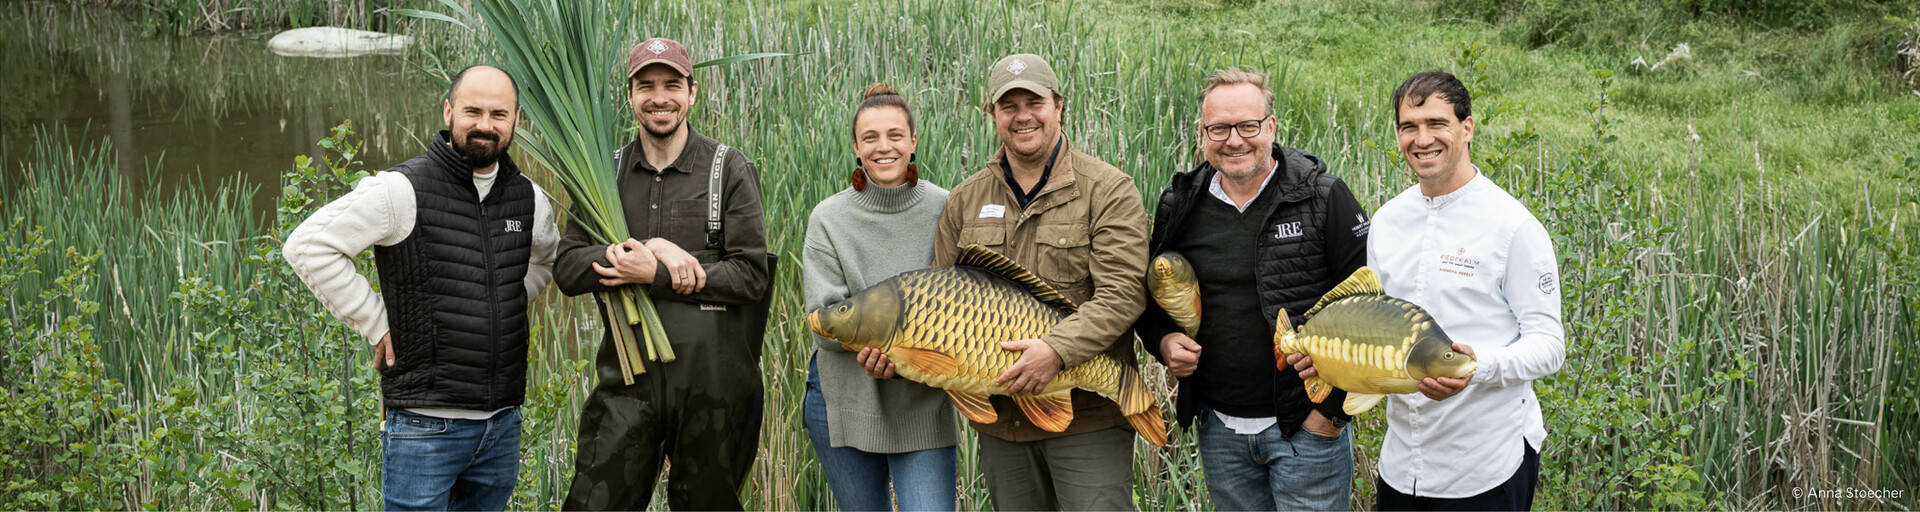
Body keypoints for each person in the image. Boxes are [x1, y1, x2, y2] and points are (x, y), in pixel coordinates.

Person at [284, 65, 558, 511]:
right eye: (472, 111)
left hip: (502, 427)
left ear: (516, 122)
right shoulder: (400, 189)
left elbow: (546, 259)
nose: (485, 125)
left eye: (498, 114)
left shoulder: (530, 198)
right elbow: (309, 247)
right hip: (424, 428)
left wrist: (505, 298)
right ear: (449, 110)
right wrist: (376, 322)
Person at [1288, 70, 1565, 511]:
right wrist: (1323, 360)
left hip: (1487, 463)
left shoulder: (1513, 227)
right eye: (1409, 127)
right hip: (1402, 466)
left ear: (1467, 127)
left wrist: (1474, 366)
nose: (1422, 139)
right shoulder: (1387, 221)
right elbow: (1371, 322)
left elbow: (1550, 346)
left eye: (1437, 124)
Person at [1134, 68, 1370, 510]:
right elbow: (1148, 299)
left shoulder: (1324, 198)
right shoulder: (1180, 204)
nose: (1235, 140)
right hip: (1220, 429)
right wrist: (1163, 340)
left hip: (1306, 431)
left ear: (1272, 127)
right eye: (1219, 128)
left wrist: (1331, 414)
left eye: (1248, 126)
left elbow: (1369, 311)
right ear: (1202, 133)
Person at [554, 37, 772, 511]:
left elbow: (752, 276)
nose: (660, 97)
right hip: (626, 386)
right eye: (646, 85)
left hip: (715, 390)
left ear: (692, 92)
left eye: (672, 84)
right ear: (629, 95)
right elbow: (568, 269)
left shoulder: (727, 169)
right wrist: (637, 253)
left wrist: (659, 274)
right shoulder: (603, 173)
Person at [931, 53, 1151, 511]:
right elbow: (939, 299)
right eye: (1008, 106)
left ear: (1059, 105)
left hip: (1087, 418)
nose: (1023, 116)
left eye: (1034, 101)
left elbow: (1123, 293)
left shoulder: (1108, 190)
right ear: (992, 114)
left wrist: (1055, 351)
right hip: (1002, 426)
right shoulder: (964, 200)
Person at [800, 82, 958, 511]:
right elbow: (823, 322)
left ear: (913, 141)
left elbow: (963, 307)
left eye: (894, 135)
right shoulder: (828, 218)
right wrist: (887, 343)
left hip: (921, 403)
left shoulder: (948, 208)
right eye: (870, 137)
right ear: (855, 146)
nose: (882, 147)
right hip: (846, 399)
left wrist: (905, 353)